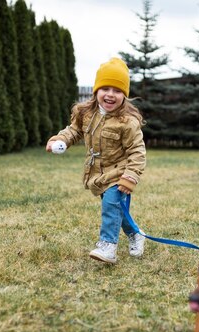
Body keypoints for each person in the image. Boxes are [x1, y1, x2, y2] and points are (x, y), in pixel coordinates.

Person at [46, 57, 146, 264]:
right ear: (96, 91)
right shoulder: (86, 113)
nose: (110, 94)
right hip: (98, 174)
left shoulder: (127, 122)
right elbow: (74, 131)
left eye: (117, 91)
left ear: (124, 96)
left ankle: (108, 246)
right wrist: (60, 139)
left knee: (110, 205)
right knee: (116, 209)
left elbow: (137, 151)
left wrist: (130, 176)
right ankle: (136, 234)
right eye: (105, 89)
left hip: (119, 173)